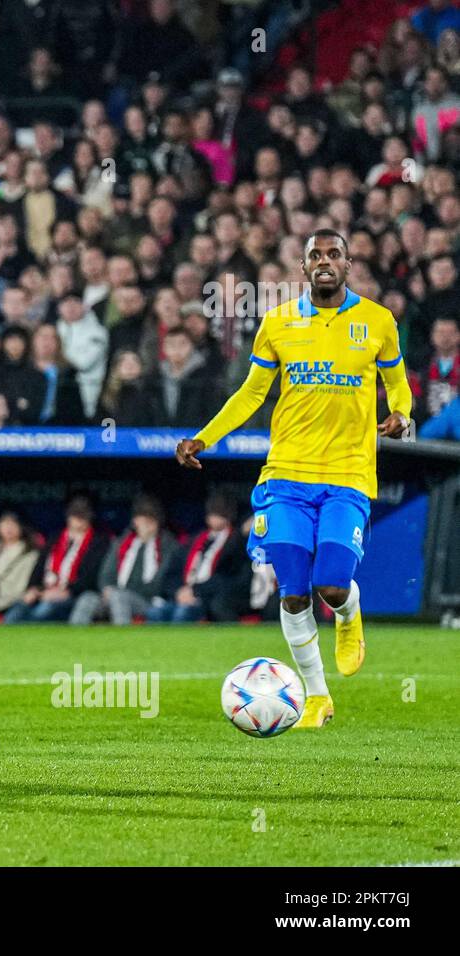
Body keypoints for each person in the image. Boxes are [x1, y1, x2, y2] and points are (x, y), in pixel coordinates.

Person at [175, 229, 412, 728]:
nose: (324, 261)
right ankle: (317, 696)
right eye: (315, 255)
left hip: (348, 474)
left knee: (331, 584)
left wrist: (401, 415)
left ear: (349, 265)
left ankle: (350, 614)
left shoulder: (377, 322)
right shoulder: (279, 323)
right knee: (294, 592)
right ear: (303, 268)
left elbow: (398, 386)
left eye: (334, 254)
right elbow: (250, 393)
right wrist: (205, 438)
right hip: (286, 476)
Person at [71, 495, 178, 625]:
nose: (144, 524)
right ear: (134, 521)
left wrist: (120, 592)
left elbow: (160, 582)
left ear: (157, 522)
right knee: (87, 598)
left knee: (119, 597)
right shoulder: (122, 542)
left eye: (149, 520)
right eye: (141, 519)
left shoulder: (168, 545)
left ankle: (122, 641)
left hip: (147, 600)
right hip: (114, 595)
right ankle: (76, 641)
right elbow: (106, 574)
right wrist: (107, 588)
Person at [147, 494, 251, 623]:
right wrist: (178, 592)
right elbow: (171, 575)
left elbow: (226, 577)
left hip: (207, 598)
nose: (214, 518)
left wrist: (196, 591)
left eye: (219, 514)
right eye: (212, 513)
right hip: (182, 596)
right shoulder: (193, 542)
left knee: (182, 613)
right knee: (155, 612)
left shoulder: (235, 543)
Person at [3, 496, 105, 623]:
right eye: (75, 515)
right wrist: (33, 589)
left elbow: (90, 577)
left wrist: (67, 591)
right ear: (68, 517)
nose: (79, 520)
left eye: (83, 516)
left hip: (72, 595)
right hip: (44, 592)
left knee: (42, 612)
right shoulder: (55, 538)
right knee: (14, 615)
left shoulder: (98, 542)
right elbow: (39, 568)